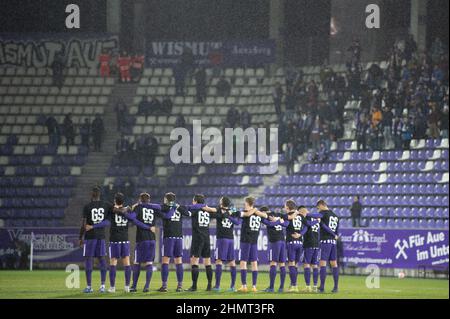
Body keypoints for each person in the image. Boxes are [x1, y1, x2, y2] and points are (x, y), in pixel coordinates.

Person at [115, 193, 177, 293]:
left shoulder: (139, 207)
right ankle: (146, 286)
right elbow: (167, 216)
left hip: (141, 239)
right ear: (149, 200)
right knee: (149, 263)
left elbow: (131, 218)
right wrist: (173, 207)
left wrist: (124, 212)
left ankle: (134, 286)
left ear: (140, 199)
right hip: (152, 239)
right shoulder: (153, 208)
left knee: (137, 263)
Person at [201, 197, 241, 292]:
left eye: (220, 201)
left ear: (222, 203)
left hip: (222, 239)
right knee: (232, 262)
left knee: (219, 261)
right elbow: (238, 222)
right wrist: (230, 215)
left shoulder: (219, 211)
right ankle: (232, 287)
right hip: (231, 239)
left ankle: (217, 286)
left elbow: (210, 212)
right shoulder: (232, 211)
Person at [79, 187, 112, 293]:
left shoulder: (87, 206)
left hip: (90, 237)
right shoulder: (106, 205)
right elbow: (108, 222)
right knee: (102, 260)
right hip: (101, 237)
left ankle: (89, 287)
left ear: (91, 194)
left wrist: (80, 237)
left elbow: (84, 225)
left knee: (89, 260)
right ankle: (102, 286)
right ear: (99, 194)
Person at [180, 195, 213, 292]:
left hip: (197, 238)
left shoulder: (195, 210)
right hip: (207, 237)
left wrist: (178, 207)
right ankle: (209, 286)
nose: (192, 202)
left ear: (195, 201)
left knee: (194, 261)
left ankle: (194, 286)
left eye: (193, 201)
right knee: (207, 262)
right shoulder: (207, 210)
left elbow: (186, 213)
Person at [236, 197, 268, 293]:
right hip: (254, 240)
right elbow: (266, 216)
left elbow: (240, 217)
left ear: (247, 203)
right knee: (254, 262)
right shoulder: (258, 214)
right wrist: (256, 210)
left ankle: (244, 286)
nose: (244, 204)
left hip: (245, 239)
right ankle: (254, 286)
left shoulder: (246, 212)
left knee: (243, 262)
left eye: (245, 202)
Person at [261, 207, 288, 293]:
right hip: (282, 240)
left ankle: (271, 288)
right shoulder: (279, 215)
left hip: (275, 242)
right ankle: (281, 287)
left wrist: (276, 221)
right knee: (282, 264)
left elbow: (269, 224)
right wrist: (279, 220)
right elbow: (286, 224)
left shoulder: (266, 216)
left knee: (273, 263)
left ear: (264, 212)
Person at [317, 200, 340, 293]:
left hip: (325, 240)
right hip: (333, 242)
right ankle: (336, 287)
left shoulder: (323, 213)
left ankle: (322, 287)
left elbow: (324, 226)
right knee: (334, 263)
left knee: (322, 263)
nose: (318, 210)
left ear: (322, 205)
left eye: (318, 208)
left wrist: (320, 223)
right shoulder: (335, 215)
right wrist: (335, 236)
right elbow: (337, 230)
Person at [284, 200, 306, 292]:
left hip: (291, 243)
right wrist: (300, 234)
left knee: (291, 264)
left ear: (288, 207)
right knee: (295, 265)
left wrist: (278, 221)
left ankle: (294, 286)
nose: (284, 208)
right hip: (300, 243)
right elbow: (307, 226)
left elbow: (285, 224)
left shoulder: (288, 216)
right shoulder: (300, 216)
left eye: (285, 207)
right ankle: (293, 284)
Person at [300, 206, 321, 293]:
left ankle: (308, 286)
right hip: (316, 243)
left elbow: (306, 227)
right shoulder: (315, 217)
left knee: (306, 264)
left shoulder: (307, 218)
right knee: (315, 265)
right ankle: (315, 286)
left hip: (309, 243)